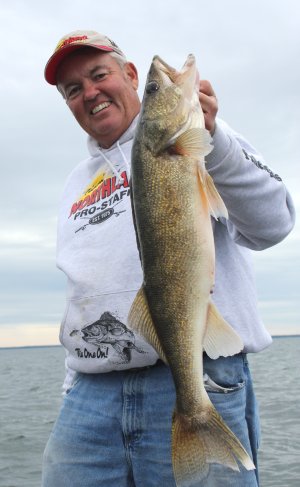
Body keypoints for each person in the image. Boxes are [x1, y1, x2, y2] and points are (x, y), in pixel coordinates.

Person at [42, 30, 295, 487]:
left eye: (99, 75)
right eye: (73, 90)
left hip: (195, 373)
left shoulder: (200, 146)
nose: (90, 93)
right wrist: (71, 388)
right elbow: (83, 292)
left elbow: (274, 222)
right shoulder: (74, 185)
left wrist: (213, 137)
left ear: (131, 76)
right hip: (90, 398)